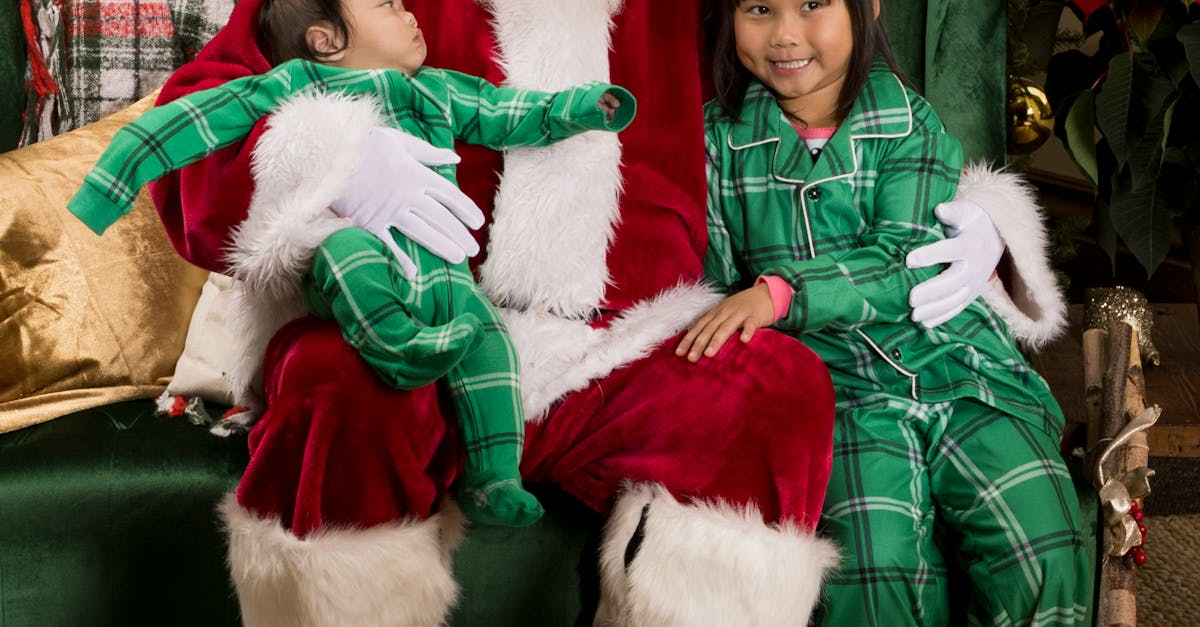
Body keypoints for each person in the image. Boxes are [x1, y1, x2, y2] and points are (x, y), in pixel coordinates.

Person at [145, 0, 1066, 624]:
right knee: (332, 382)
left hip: (620, 342)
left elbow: (813, 77)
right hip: (420, 320)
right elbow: (196, 122)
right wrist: (323, 156)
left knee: (772, 389)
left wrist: (973, 208)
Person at [68, 0, 639, 528]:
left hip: (446, 273)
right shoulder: (295, 82)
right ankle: (395, 347)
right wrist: (108, 187)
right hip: (354, 252)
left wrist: (580, 108)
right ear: (325, 39)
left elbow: (507, 111)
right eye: (388, 4)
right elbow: (187, 123)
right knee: (346, 252)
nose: (410, 12)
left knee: (488, 342)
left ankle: (493, 478)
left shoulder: (436, 89)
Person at [682, 0, 1092, 624]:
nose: (785, 34)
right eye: (759, 8)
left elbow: (906, 256)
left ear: (867, 7)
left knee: (1046, 548)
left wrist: (778, 293)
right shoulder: (718, 140)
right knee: (874, 571)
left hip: (957, 366)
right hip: (836, 393)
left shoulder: (909, 124)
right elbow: (711, 288)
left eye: (813, 4)